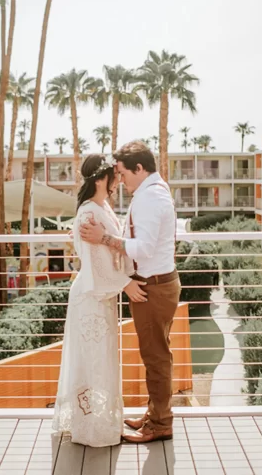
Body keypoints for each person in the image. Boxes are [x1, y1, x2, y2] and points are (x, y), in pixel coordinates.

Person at [80, 140, 181, 444]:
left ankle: (161, 423)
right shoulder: (153, 192)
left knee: (156, 359)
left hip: (154, 286)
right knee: (156, 355)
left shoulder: (150, 198)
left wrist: (105, 238)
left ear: (139, 168)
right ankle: (155, 415)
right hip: (155, 283)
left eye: (123, 173)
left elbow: (145, 248)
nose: (120, 181)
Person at [52, 154, 146, 447]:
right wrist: (126, 283)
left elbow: (107, 249)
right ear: (101, 178)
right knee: (93, 363)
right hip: (91, 298)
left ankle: (103, 425)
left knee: (102, 361)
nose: (119, 179)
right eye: (114, 175)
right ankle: (92, 429)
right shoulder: (88, 213)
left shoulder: (99, 207)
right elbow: (95, 263)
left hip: (101, 297)